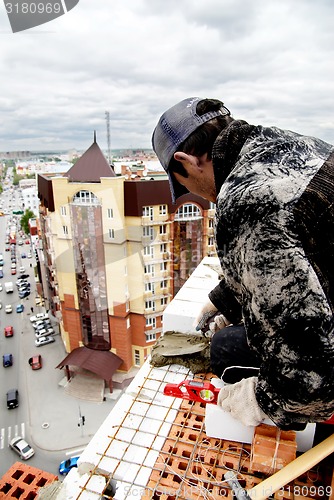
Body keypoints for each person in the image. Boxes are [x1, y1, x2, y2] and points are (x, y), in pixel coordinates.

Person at [152, 97, 334, 430]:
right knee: (230, 341)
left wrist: (263, 401)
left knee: (225, 353)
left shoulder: (246, 201)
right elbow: (296, 252)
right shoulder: (288, 145)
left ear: (186, 161)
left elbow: (315, 375)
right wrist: (224, 299)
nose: (194, 193)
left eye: (183, 183)